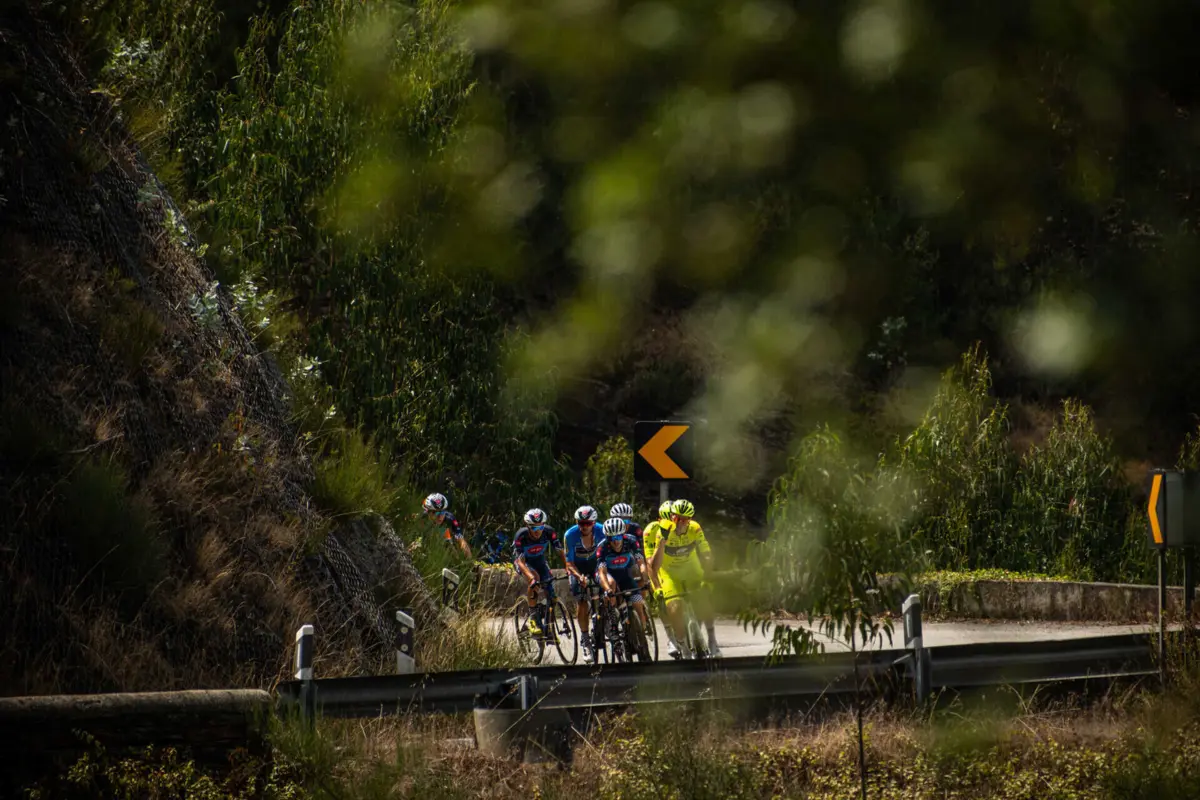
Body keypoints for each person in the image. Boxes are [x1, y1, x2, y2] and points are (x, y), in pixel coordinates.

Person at [648, 498, 721, 658]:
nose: (680, 522)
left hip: (691, 570)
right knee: (673, 607)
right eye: (676, 518)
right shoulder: (663, 530)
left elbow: (707, 554)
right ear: (672, 517)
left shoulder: (695, 529)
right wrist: (662, 541)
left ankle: (712, 639)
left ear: (690, 519)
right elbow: (654, 565)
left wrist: (708, 576)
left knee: (705, 600)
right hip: (670, 573)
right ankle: (681, 644)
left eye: (684, 519)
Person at [595, 517, 651, 639]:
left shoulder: (631, 540)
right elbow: (602, 572)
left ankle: (641, 637)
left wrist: (646, 579)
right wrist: (608, 590)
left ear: (623, 535)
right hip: (607, 575)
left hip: (624, 573)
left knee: (637, 603)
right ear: (607, 538)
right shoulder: (602, 547)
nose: (615, 542)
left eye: (618, 537)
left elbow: (641, 563)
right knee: (612, 583)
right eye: (611, 538)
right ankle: (612, 617)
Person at [511, 508, 562, 636]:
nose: (538, 531)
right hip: (523, 563)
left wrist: (569, 568)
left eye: (540, 527)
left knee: (552, 595)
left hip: (539, 561)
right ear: (527, 526)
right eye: (533, 528)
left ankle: (549, 628)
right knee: (535, 578)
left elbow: (560, 551)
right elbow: (520, 562)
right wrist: (532, 579)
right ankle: (533, 617)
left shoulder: (549, 532)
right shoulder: (521, 536)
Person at [642, 499, 683, 657]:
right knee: (662, 601)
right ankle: (671, 639)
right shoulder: (651, 530)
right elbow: (649, 564)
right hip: (659, 568)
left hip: (678, 565)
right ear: (659, 520)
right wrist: (656, 587)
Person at [563, 505, 602, 661]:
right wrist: (579, 577)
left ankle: (607, 617)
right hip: (577, 568)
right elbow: (569, 563)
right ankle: (585, 640)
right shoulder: (570, 535)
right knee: (581, 599)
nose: (584, 527)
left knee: (607, 584)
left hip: (595, 565)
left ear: (594, 523)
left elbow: (606, 554)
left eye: (588, 523)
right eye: (581, 523)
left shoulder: (602, 530)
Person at [423, 492, 472, 559]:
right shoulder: (422, 518)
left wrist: (470, 561)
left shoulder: (449, 517)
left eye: (443, 512)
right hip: (428, 537)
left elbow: (461, 540)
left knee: (451, 548)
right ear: (428, 512)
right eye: (436, 513)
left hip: (442, 532)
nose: (440, 517)